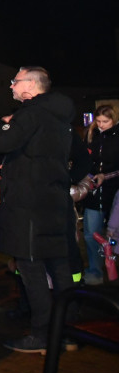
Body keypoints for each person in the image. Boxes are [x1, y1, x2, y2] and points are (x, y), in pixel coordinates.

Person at [0, 67, 76, 354]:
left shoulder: (31, 113)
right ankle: (66, 331)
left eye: (15, 81)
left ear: (30, 87)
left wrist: (0, 125)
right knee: (59, 267)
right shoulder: (60, 117)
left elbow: (2, 142)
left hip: (29, 206)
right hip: (53, 201)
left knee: (31, 267)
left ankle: (41, 334)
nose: (11, 86)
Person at [82, 105, 119, 285]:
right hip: (94, 191)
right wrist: (88, 176)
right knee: (91, 233)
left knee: (112, 234)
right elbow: (85, 160)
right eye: (98, 121)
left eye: (106, 121)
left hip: (114, 192)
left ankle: (110, 266)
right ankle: (95, 271)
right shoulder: (91, 135)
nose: (102, 125)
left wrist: (107, 175)